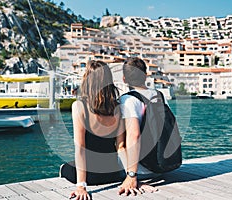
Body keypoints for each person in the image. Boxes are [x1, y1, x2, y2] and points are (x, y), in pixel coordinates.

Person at [60, 60, 126, 199]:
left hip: (91, 176)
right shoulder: (117, 108)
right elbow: (121, 148)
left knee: (64, 168)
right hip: (112, 173)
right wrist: (131, 176)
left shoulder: (79, 107)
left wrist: (81, 186)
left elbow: (80, 148)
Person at [118, 57, 165, 195]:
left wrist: (132, 175)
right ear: (145, 76)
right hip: (160, 167)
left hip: (140, 171)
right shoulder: (159, 95)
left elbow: (134, 136)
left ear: (124, 79)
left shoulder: (128, 100)